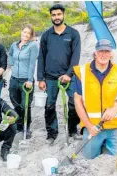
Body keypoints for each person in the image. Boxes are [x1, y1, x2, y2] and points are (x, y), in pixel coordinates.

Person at [73, 39, 117, 159]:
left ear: (111, 54)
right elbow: (77, 101)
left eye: (107, 51)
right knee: (89, 157)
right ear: (95, 53)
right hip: (93, 126)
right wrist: (88, 125)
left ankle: (107, 144)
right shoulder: (82, 72)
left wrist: (115, 109)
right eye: (100, 51)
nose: (103, 54)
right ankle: (101, 144)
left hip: (116, 126)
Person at [37, 4, 81, 145]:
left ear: (63, 15)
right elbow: (41, 57)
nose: (56, 17)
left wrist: (68, 74)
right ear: (51, 17)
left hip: (69, 77)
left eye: (58, 14)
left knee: (74, 103)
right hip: (50, 78)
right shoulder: (46, 35)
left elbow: (76, 57)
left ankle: (73, 130)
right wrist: (40, 78)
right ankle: (52, 133)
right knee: (49, 106)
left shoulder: (73, 34)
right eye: (53, 15)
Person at [8, 24, 38, 139]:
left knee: (25, 105)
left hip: (26, 80)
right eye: (24, 32)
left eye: (28, 33)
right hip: (14, 79)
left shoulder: (33, 46)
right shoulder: (14, 45)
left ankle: (27, 127)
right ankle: (19, 126)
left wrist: (30, 80)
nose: (25, 35)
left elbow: (32, 64)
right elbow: (10, 55)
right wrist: (11, 65)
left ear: (31, 36)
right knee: (15, 103)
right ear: (21, 32)